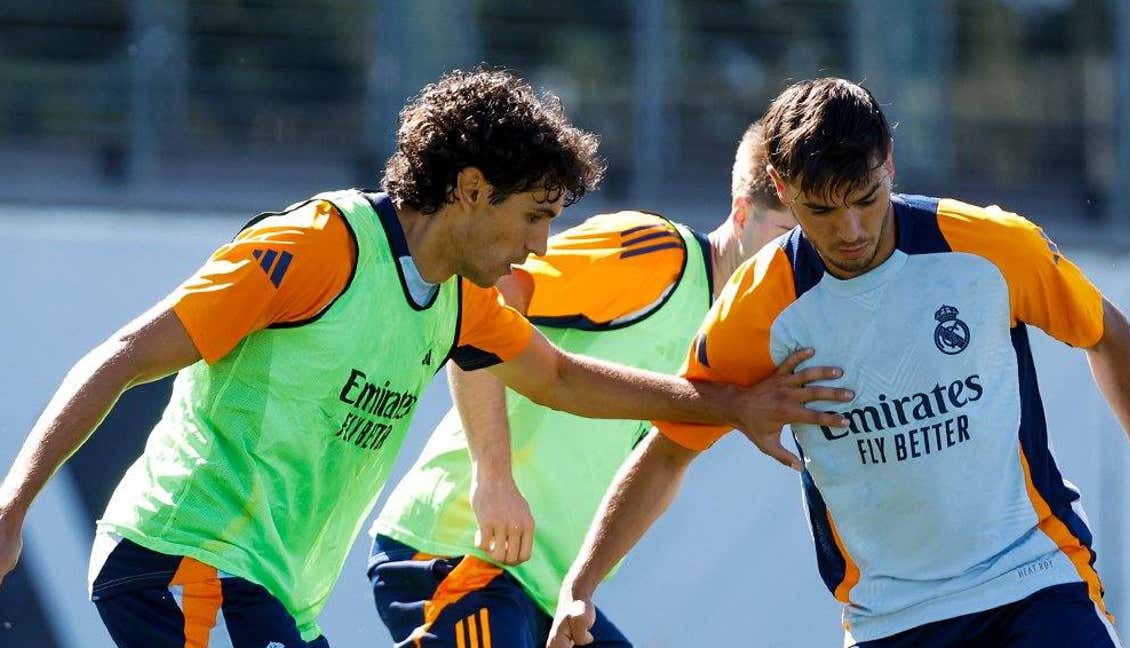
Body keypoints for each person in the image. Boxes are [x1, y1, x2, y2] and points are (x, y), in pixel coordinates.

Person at [0, 69, 843, 648]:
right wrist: (12, 508)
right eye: (533, 216)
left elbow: (558, 377)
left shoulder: (459, 297)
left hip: (276, 593)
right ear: (472, 189)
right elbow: (120, 355)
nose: (541, 245)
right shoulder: (319, 247)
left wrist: (730, 405)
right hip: (184, 560)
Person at [548, 77, 1130, 648]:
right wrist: (581, 584)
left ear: (888, 164)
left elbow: (1106, 332)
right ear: (780, 188)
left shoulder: (987, 248)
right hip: (891, 618)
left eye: (864, 197)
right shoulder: (758, 309)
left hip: (1032, 580)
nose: (851, 230)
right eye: (822, 210)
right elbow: (668, 450)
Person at [364, 121, 802, 648]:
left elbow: (665, 464)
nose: (793, 260)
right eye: (785, 237)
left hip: (550, 594)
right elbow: (487, 300)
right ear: (741, 213)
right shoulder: (658, 253)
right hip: (460, 548)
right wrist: (494, 477)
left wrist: (585, 581)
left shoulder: (732, 341)